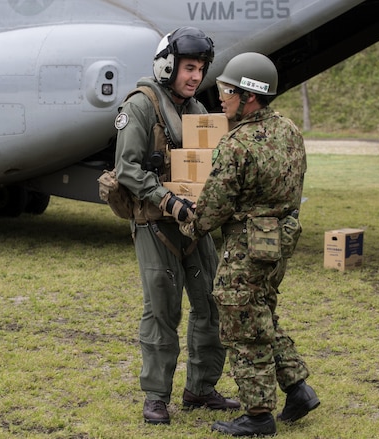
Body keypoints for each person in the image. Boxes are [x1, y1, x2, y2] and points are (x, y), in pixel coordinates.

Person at [180, 52, 319, 437]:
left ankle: (258, 415)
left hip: (246, 243)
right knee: (261, 312)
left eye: (227, 90)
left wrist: (190, 229)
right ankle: (297, 389)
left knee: (243, 324)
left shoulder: (237, 143)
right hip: (279, 238)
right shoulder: (290, 130)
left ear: (250, 96)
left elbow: (213, 205)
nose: (220, 97)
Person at [113, 26, 239, 425]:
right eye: (188, 68)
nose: (195, 77)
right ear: (168, 64)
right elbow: (126, 169)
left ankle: (201, 388)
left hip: (194, 226)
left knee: (211, 304)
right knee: (162, 311)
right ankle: (155, 396)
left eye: (200, 69)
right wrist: (167, 198)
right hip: (155, 224)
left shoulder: (198, 112)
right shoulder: (140, 106)